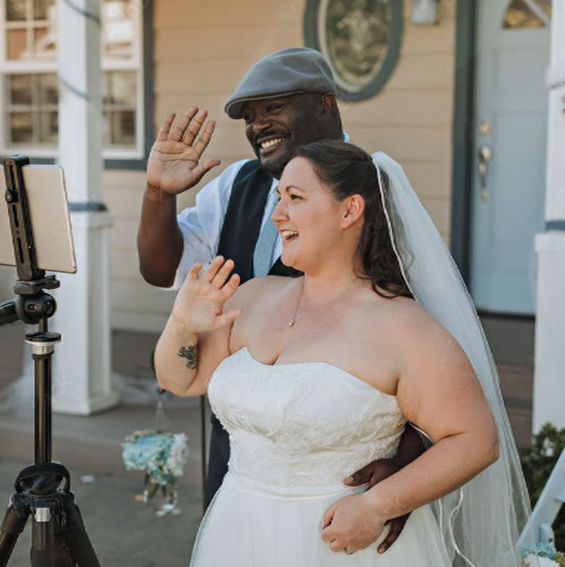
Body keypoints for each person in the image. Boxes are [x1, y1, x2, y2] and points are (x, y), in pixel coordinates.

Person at [154, 141, 531, 566]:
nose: (278, 214)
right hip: (239, 531)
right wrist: (182, 323)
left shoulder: (402, 327)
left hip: (344, 546)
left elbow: (475, 439)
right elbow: (179, 379)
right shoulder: (254, 296)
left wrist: (378, 506)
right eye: (279, 198)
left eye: (295, 198)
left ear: (350, 211)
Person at [138, 47, 425, 542]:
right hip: (243, 438)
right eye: (249, 116)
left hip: (338, 455)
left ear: (326, 105)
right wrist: (158, 194)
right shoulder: (236, 184)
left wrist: (410, 453)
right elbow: (159, 268)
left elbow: (423, 332)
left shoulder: (374, 189)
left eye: (273, 108)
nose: (257, 124)